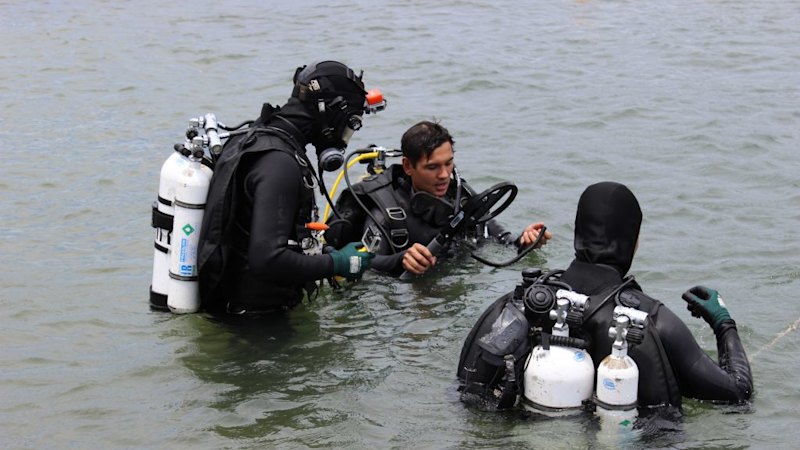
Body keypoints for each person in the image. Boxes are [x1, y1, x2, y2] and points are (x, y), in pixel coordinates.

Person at [457, 181, 752, 412]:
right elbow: (737, 393)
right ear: (633, 240)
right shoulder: (655, 321)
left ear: (578, 232)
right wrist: (723, 323)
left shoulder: (520, 303)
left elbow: (465, 388)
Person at [197, 61, 380, 315]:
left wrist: (322, 253)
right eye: (350, 124)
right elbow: (268, 260)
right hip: (256, 324)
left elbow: (250, 232)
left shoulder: (255, 137)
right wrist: (336, 263)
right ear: (330, 112)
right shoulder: (280, 164)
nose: (344, 138)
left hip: (235, 311)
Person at [323, 120, 552, 277]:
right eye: (432, 167)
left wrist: (525, 241)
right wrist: (401, 260)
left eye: (448, 163)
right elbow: (366, 263)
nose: (444, 175)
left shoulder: (459, 196)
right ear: (408, 166)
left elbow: (502, 241)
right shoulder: (386, 213)